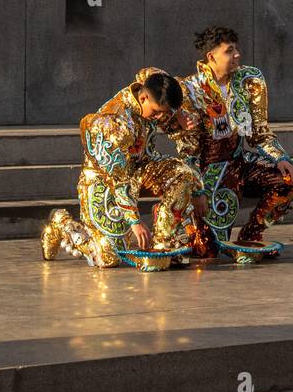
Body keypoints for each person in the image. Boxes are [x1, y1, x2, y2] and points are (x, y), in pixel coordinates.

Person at [40, 68, 205, 272]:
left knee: (184, 175)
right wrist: (134, 221)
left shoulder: (151, 84)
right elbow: (119, 179)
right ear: (143, 98)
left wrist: (178, 115)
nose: (160, 118)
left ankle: (164, 243)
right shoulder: (114, 123)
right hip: (104, 180)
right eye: (156, 112)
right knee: (107, 256)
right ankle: (61, 224)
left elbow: (158, 76)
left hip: (141, 167)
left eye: (164, 113)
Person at [174, 26, 293, 263]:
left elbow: (259, 133)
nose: (237, 55)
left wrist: (281, 158)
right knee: (206, 252)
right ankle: (185, 227)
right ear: (211, 56)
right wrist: (196, 190)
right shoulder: (190, 89)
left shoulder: (249, 81)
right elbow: (187, 150)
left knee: (287, 181)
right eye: (229, 51)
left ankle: (250, 236)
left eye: (236, 49)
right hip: (206, 173)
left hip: (239, 163)